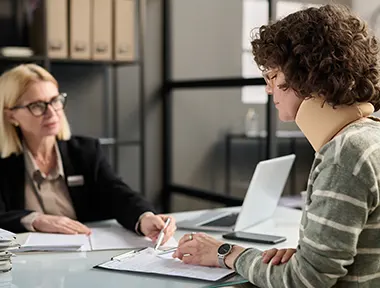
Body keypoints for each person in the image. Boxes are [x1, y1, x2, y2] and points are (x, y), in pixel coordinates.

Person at [173, 4, 380, 287]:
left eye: (272, 77)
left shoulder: (345, 155)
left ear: (307, 76)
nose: (268, 89)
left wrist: (228, 253)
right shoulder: (370, 137)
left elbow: (305, 281)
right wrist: (310, 256)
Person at [0, 63, 176, 245]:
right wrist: (35, 219)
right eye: (37, 106)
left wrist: (144, 217)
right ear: (10, 116)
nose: (52, 112)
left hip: (83, 259)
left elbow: (117, 194)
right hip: (23, 265)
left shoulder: (85, 151)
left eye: (55, 101)